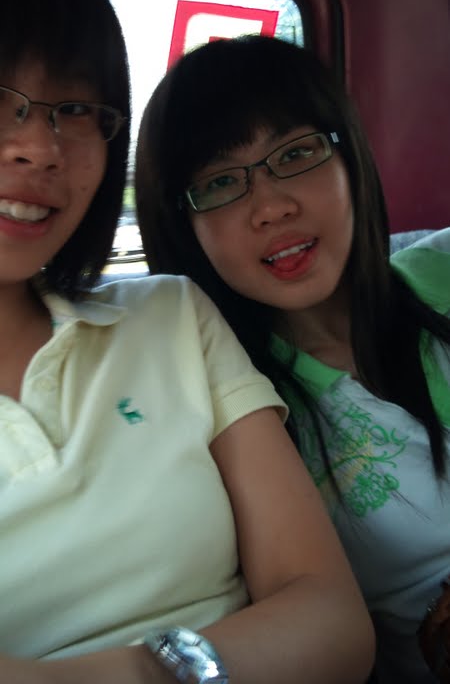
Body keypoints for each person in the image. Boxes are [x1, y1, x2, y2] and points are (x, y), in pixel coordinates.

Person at [0, 0, 375, 684]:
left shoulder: (170, 316)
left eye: (76, 109)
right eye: (223, 183)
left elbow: (332, 621)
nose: (40, 147)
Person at [135, 33, 450, 683]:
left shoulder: (441, 269)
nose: (273, 206)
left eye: (296, 153)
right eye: (221, 182)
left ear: (349, 157)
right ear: (184, 227)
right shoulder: (235, 415)